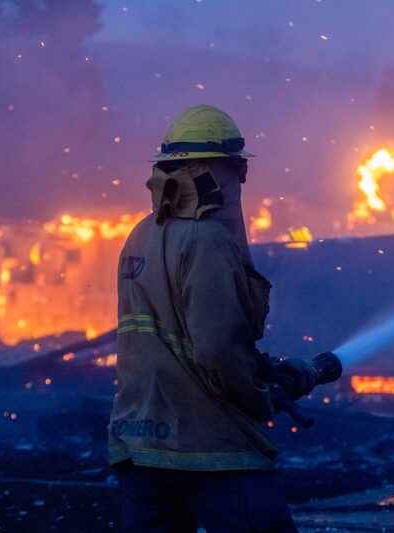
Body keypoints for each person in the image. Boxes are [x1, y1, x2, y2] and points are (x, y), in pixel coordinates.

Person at [109, 105, 315, 532]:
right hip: (209, 444)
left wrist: (260, 368)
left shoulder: (141, 233)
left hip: (141, 442)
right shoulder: (207, 240)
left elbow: (171, 335)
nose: (240, 180)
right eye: (236, 169)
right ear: (216, 170)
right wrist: (258, 399)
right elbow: (217, 347)